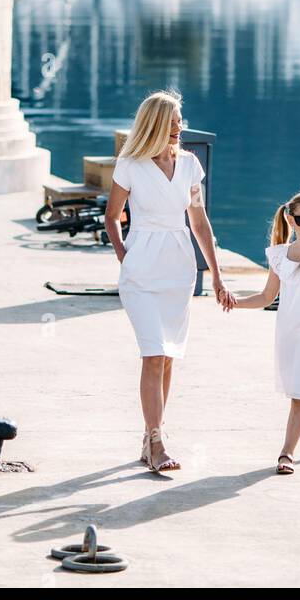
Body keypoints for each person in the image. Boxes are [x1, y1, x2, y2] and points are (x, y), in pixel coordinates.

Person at [105, 89, 236, 473]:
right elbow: (113, 215)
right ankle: (158, 442)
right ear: (156, 123)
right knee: (152, 353)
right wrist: (124, 257)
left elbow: (198, 220)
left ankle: (150, 435)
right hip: (141, 266)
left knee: (167, 357)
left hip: (178, 267)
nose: (180, 127)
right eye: (174, 121)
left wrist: (215, 275)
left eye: (181, 120)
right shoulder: (129, 164)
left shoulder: (192, 165)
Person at [228, 188, 300, 474]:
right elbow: (267, 296)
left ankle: (286, 453)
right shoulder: (280, 255)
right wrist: (236, 303)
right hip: (288, 334)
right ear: (290, 220)